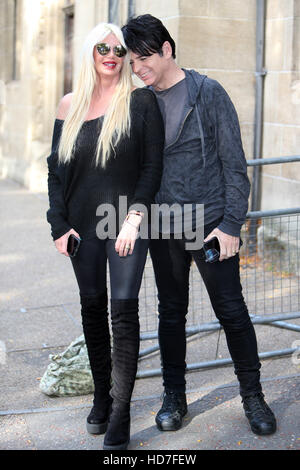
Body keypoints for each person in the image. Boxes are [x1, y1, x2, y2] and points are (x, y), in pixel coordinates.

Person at [122, 14, 277, 436]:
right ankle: (175, 396)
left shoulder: (208, 92)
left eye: (144, 58)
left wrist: (231, 224)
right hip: (163, 224)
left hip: (209, 224)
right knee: (171, 314)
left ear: (167, 49)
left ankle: (253, 395)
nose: (138, 69)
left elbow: (235, 164)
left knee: (232, 311)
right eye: (132, 62)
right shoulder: (141, 101)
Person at [46, 22, 164, 450]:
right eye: (103, 47)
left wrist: (135, 217)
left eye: (118, 49)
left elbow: (152, 168)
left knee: (123, 312)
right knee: (93, 310)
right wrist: (59, 226)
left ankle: (121, 412)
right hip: (82, 228)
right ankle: (101, 393)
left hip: (126, 223)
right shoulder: (69, 105)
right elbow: (56, 173)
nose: (111, 54)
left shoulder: (140, 101)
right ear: (90, 53)